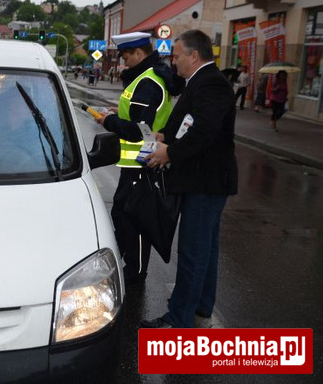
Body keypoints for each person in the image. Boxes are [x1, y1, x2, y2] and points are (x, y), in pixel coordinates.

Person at [142, 29, 238, 328]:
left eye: (177, 55)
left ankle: (179, 319)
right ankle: (201, 305)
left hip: (205, 182)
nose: (174, 61)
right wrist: (164, 136)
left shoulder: (211, 83)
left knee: (193, 250)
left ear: (194, 55)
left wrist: (169, 153)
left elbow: (204, 131)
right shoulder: (201, 81)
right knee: (205, 248)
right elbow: (190, 122)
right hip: (204, 180)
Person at [94, 31, 176, 286]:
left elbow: (140, 129)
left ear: (139, 53)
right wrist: (117, 114)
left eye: (126, 56)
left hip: (143, 163)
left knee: (135, 221)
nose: (124, 61)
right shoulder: (146, 77)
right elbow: (138, 117)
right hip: (136, 164)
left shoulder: (147, 82)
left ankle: (135, 274)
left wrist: (109, 121)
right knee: (122, 215)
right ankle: (127, 268)